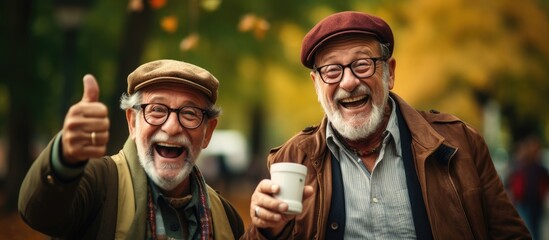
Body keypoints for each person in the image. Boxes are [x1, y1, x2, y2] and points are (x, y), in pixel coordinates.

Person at [243, 11, 531, 239]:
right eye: (332, 70)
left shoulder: (460, 144)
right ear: (316, 84)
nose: (349, 81)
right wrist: (267, 230)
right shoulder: (293, 159)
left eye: (362, 64)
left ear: (389, 73)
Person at [18, 59, 244, 239]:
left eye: (189, 113)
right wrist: (64, 158)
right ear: (133, 123)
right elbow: (39, 214)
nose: (172, 127)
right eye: (156, 109)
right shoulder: (99, 183)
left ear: (208, 132)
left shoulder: (226, 217)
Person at [506, 135, 549, 240]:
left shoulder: (538, 167)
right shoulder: (518, 167)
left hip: (536, 203)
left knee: (534, 229)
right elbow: (509, 183)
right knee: (526, 229)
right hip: (522, 202)